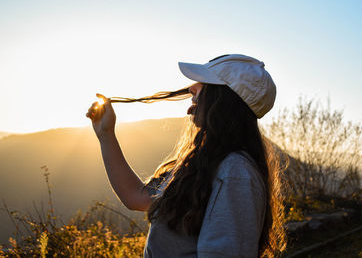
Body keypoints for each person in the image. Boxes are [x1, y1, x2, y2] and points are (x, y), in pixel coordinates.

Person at [86, 54, 287, 257]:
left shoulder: (235, 172)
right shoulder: (204, 163)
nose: (192, 88)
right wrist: (106, 135)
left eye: (204, 84)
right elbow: (136, 198)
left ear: (225, 99)